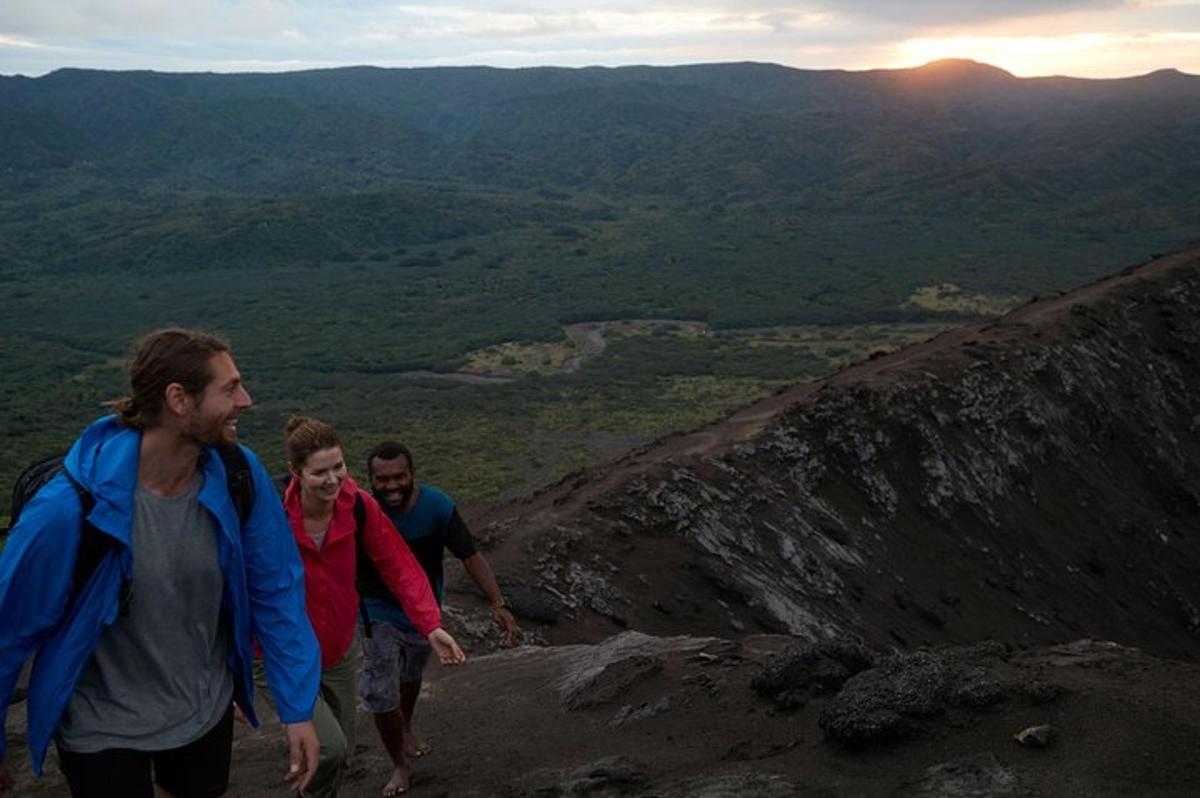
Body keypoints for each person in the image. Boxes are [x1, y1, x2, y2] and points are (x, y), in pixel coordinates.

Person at [0, 328, 322, 798]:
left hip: (203, 709)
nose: (246, 400)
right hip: (102, 727)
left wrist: (297, 709)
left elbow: (276, 589)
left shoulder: (237, 474)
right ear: (179, 400)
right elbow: (8, 630)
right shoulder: (68, 511)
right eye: (229, 388)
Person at [270, 417, 465, 798]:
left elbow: (398, 563)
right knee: (331, 749)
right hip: (287, 648)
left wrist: (429, 623)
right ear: (295, 472)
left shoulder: (356, 505)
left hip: (339, 647)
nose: (332, 480)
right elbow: (244, 586)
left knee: (338, 753)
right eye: (319, 472)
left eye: (338, 467)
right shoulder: (273, 514)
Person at [363, 441, 520, 795]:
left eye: (399, 476)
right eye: (381, 479)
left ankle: (405, 725)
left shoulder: (436, 506)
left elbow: (469, 554)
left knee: (410, 674)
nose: (390, 486)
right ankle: (400, 765)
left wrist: (498, 602)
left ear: (413, 474)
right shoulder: (363, 509)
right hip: (376, 608)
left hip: (423, 611)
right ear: (369, 479)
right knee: (381, 686)